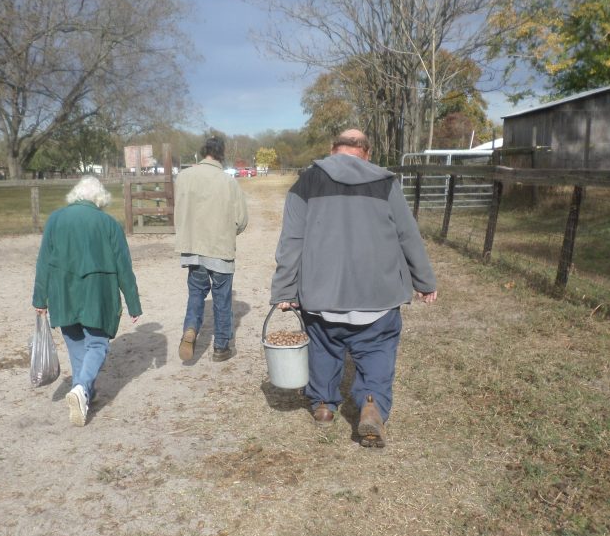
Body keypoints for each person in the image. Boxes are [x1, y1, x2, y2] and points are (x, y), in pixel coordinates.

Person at [269, 128, 437, 448]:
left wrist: (285, 290)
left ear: (333, 149)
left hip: (322, 294)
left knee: (323, 346)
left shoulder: (306, 181)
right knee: (377, 350)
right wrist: (425, 281)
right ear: (367, 153)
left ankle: (323, 406)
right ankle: (371, 405)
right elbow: (407, 235)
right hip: (378, 294)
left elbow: (291, 241)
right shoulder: (386, 182)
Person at [32, 175, 141, 427]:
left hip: (63, 292)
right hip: (97, 293)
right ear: (99, 199)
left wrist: (40, 298)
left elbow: (43, 262)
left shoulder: (55, 220)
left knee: (76, 344)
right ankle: (81, 388)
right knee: (98, 344)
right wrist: (133, 302)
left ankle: (85, 394)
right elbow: (124, 266)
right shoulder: (109, 223)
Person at [174, 135, 249, 362]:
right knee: (222, 298)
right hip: (220, 248)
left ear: (202, 151)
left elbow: (178, 210)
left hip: (193, 247)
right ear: (221, 154)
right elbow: (242, 220)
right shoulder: (228, 181)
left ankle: (190, 329)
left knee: (196, 293)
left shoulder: (184, 177)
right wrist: (227, 232)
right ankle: (221, 346)